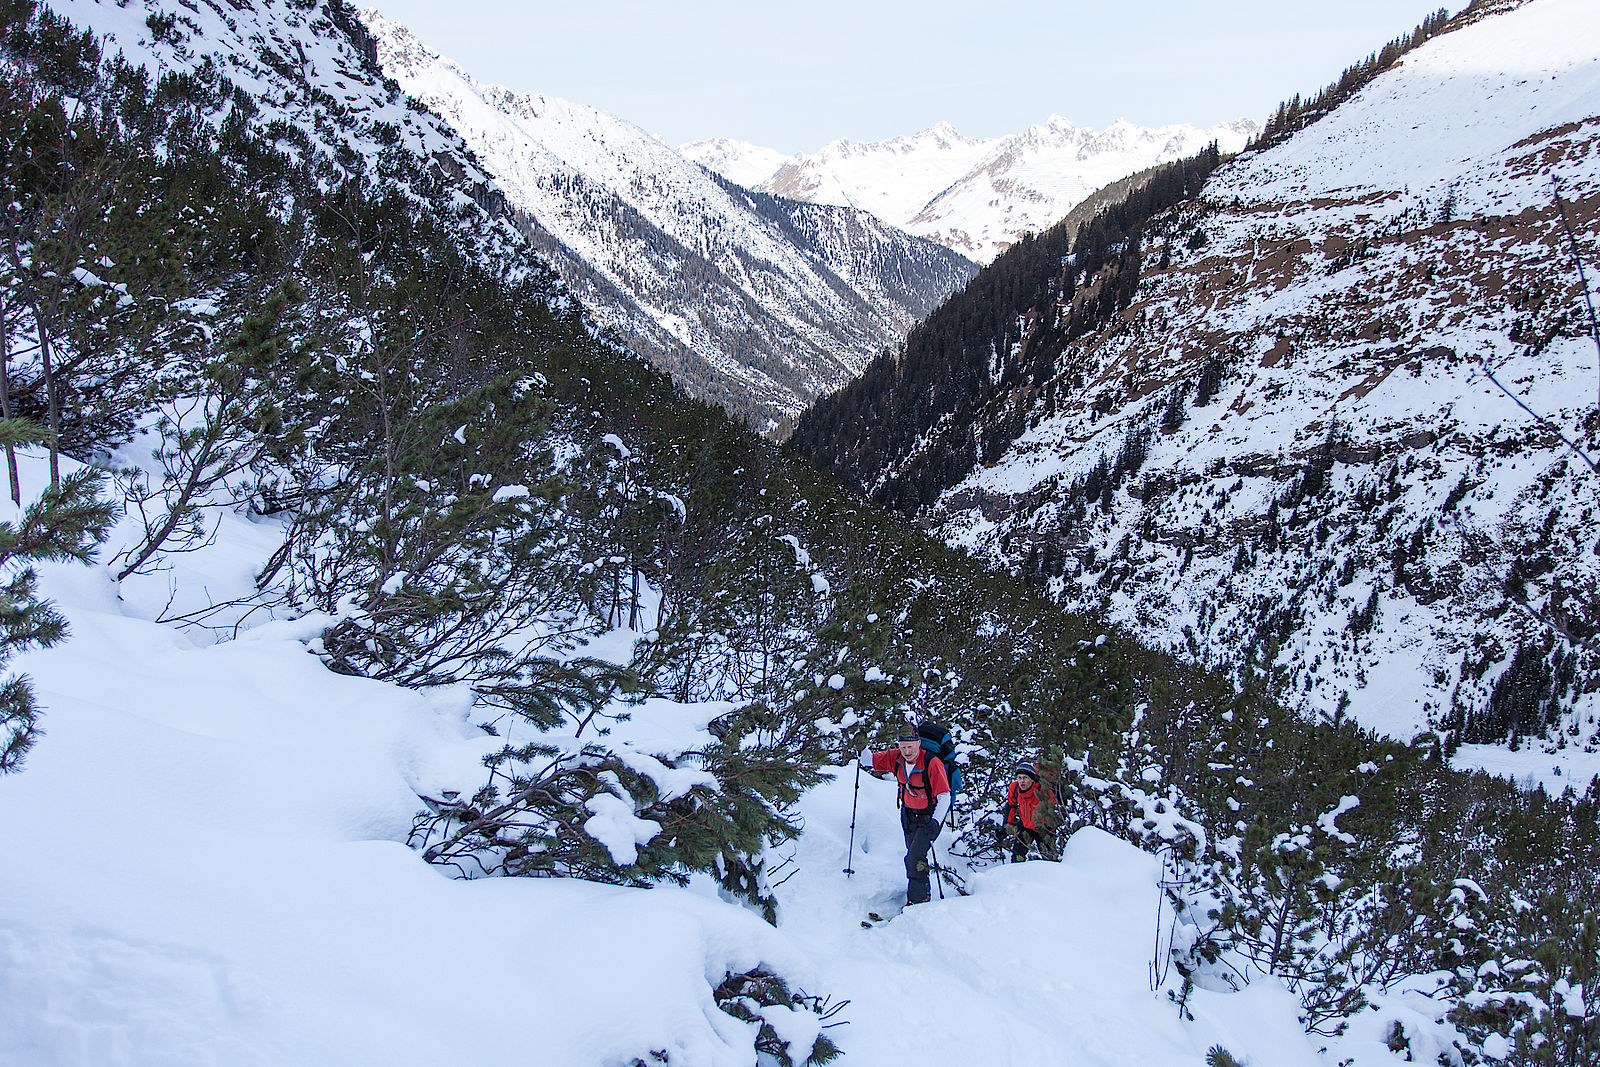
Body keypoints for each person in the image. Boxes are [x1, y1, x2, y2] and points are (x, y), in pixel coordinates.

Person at [861, 733, 951, 905]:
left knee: (914, 857)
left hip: (930, 816)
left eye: (910, 747)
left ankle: (918, 900)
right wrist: (861, 744)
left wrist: (936, 822)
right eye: (903, 747)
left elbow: (945, 796)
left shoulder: (932, 763)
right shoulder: (895, 757)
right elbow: (867, 761)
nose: (907, 751)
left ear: (919, 743)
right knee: (913, 855)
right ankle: (922, 894)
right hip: (909, 814)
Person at [1003, 762, 1051, 862]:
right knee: (1017, 858)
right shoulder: (1014, 788)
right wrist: (1006, 827)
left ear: (1032, 779)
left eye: (1025, 778)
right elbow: (1011, 807)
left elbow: (1054, 807)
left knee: (1049, 859)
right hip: (1025, 826)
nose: (1022, 781)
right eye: (1019, 778)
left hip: (1043, 828)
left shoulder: (1041, 790)